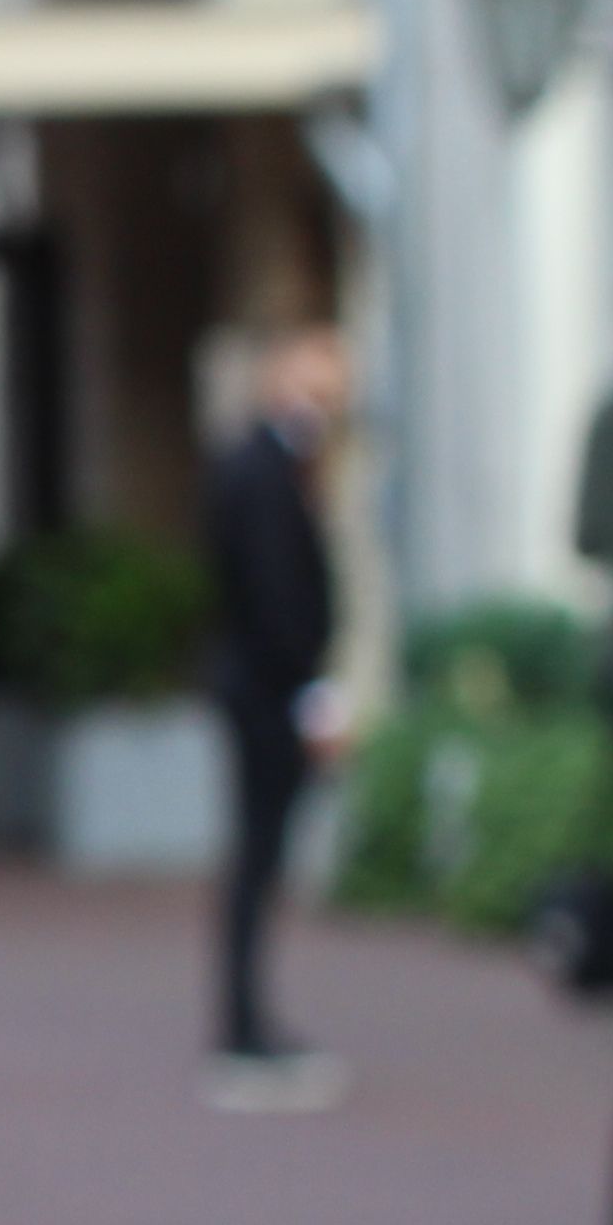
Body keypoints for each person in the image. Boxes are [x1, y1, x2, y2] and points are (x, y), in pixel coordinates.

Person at [197, 324, 353, 1109]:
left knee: (259, 861)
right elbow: (277, 599)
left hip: (262, 688)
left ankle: (248, 1023)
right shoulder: (264, 472)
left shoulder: (273, 466)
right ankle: (242, 1031)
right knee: (258, 859)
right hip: (266, 694)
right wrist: (311, 697)